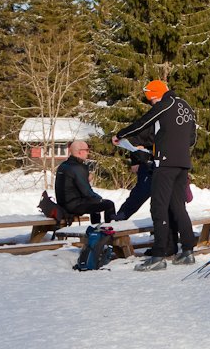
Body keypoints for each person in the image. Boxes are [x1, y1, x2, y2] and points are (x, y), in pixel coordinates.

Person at [113, 79, 197, 271]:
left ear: (155, 95)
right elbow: (192, 139)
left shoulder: (165, 104)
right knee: (178, 207)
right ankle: (187, 251)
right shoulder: (186, 106)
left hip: (165, 163)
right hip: (183, 163)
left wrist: (120, 135)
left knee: (158, 207)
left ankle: (158, 255)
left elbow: (144, 122)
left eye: (150, 99)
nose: (151, 103)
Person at [54, 140, 115, 223]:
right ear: (80, 152)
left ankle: (95, 229)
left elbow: (70, 184)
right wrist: (99, 199)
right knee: (108, 204)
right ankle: (108, 232)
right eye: (86, 150)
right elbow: (87, 192)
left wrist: (85, 179)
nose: (88, 153)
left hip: (63, 204)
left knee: (94, 203)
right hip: (73, 205)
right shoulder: (77, 167)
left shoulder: (63, 165)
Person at [112, 139, 155, 221]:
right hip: (147, 163)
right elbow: (137, 139)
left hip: (168, 165)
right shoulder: (151, 128)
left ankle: (164, 228)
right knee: (141, 191)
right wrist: (135, 161)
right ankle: (123, 214)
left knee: (162, 200)